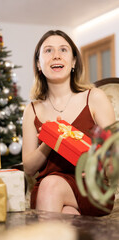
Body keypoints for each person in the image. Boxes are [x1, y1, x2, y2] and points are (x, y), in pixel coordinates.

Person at [22, 30, 115, 216]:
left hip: (91, 186)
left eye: (63, 49)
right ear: (39, 64)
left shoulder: (94, 98)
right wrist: (51, 139)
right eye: (48, 51)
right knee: (67, 213)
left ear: (73, 62)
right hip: (50, 188)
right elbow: (29, 168)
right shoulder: (31, 110)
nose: (56, 55)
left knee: (51, 186)